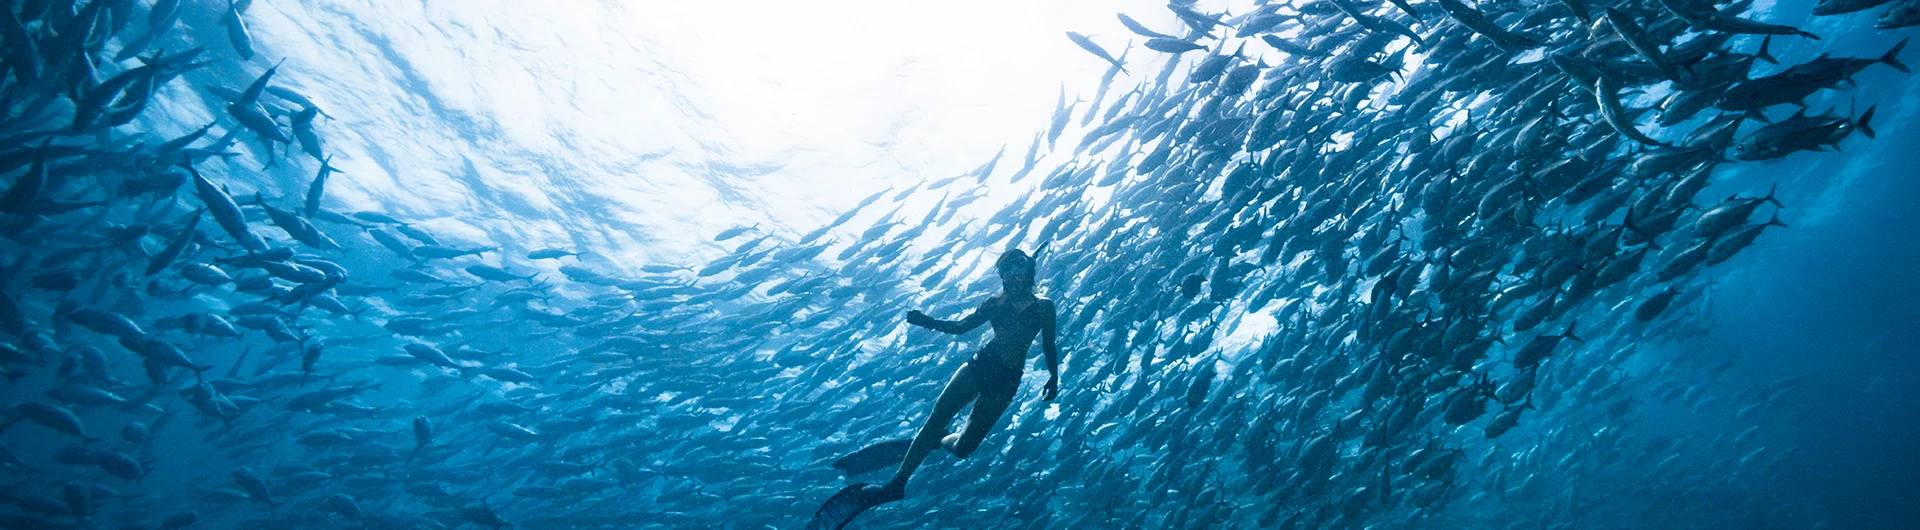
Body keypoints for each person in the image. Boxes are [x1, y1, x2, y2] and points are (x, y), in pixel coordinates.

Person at [807, 248, 1061, 529]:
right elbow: (960, 327)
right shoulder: (993, 304)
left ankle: (936, 440)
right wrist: (927, 322)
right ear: (1002, 276)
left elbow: (1049, 343)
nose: (1014, 274)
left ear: (1029, 270)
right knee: (935, 418)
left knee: (964, 448)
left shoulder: (1044, 306)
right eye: (1007, 269)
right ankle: (896, 484)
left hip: (1007, 380)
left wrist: (1054, 377)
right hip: (981, 365)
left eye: (1019, 266)